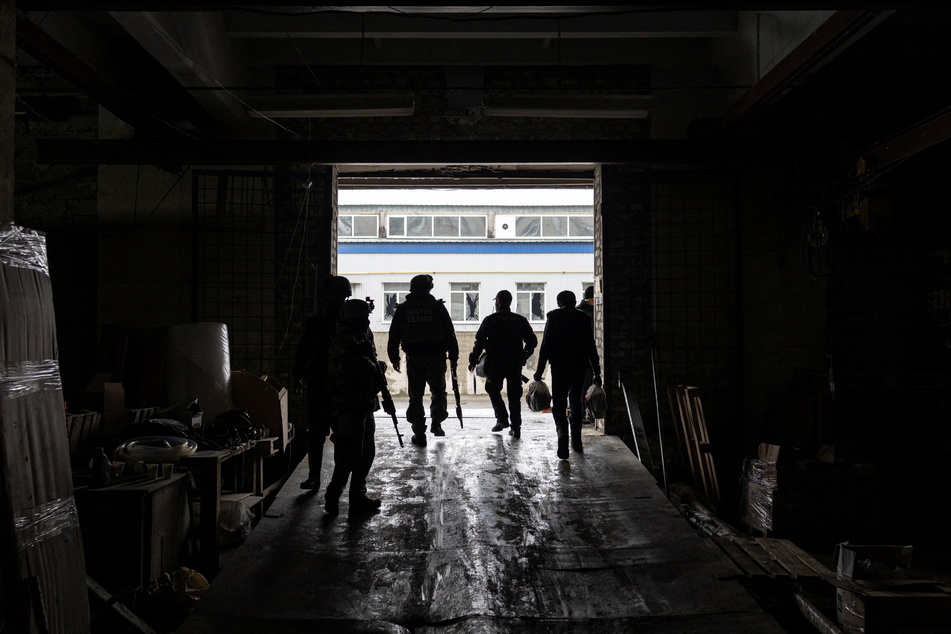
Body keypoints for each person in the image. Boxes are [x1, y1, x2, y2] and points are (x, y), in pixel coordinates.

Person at [324, 299, 384, 516]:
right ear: (354, 318)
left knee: (367, 452)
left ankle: (358, 496)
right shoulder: (345, 338)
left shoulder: (363, 335)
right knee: (350, 452)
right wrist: (369, 366)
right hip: (348, 403)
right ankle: (333, 494)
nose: (367, 320)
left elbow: (370, 361)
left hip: (364, 401)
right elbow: (341, 368)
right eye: (364, 316)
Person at [292, 275, 352, 491]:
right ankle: (315, 478)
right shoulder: (318, 321)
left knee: (339, 435)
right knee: (317, 433)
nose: (327, 297)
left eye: (331, 293)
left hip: (340, 387)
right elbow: (304, 350)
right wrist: (298, 373)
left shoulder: (351, 324)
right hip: (321, 384)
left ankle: (333, 482)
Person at [387, 274, 459, 447]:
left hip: (415, 359)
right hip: (436, 358)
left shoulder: (403, 309)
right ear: (429, 288)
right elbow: (450, 334)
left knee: (416, 396)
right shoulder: (437, 307)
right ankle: (437, 424)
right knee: (438, 392)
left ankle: (419, 433)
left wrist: (394, 357)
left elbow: (394, 335)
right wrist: (454, 358)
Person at [533, 290, 602, 459]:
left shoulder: (554, 317)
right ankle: (576, 440)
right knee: (576, 402)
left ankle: (562, 435)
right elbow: (591, 347)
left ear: (559, 302)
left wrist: (539, 370)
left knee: (559, 402)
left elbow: (546, 346)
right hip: (579, 367)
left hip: (560, 367)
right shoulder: (584, 318)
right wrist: (597, 372)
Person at [468, 290, 537, 439]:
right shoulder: (520, 320)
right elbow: (532, 341)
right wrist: (524, 355)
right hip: (514, 364)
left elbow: (479, 342)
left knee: (492, 389)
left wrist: (473, 360)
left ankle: (502, 419)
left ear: (498, 301)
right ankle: (516, 427)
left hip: (495, 363)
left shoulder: (490, 320)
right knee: (514, 395)